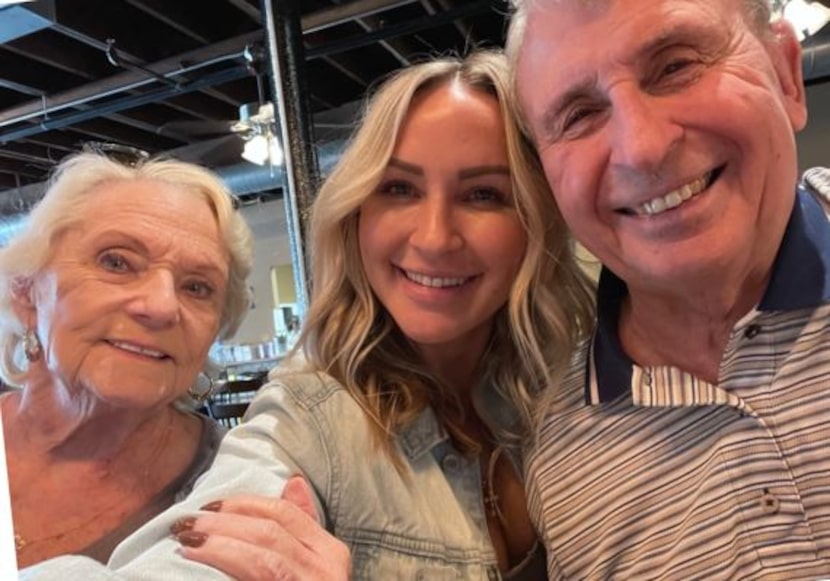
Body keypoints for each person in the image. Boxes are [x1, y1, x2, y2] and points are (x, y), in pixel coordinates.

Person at [20, 50, 595, 580]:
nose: (435, 237)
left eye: (484, 195)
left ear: (536, 219)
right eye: (398, 187)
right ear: (356, 214)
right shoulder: (312, 414)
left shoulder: (580, 374)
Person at [505, 0, 830, 578]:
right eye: (578, 114)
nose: (642, 146)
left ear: (786, 75)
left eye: (676, 66)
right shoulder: (550, 465)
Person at [0, 151, 253, 568]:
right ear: (27, 292)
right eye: (116, 262)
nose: (161, 305)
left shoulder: (237, 491)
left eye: (197, 288)